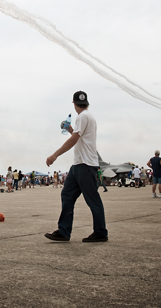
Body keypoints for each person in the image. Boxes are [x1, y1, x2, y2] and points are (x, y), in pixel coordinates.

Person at [45, 91, 108, 243]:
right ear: (86, 102)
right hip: (79, 165)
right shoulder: (89, 116)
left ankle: (100, 232)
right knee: (67, 195)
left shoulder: (82, 116)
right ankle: (63, 231)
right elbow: (80, 137)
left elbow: (74, 140)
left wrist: (55, 155)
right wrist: (70, 130)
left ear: (74, 103)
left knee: (92, 199)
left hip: (85, 165)